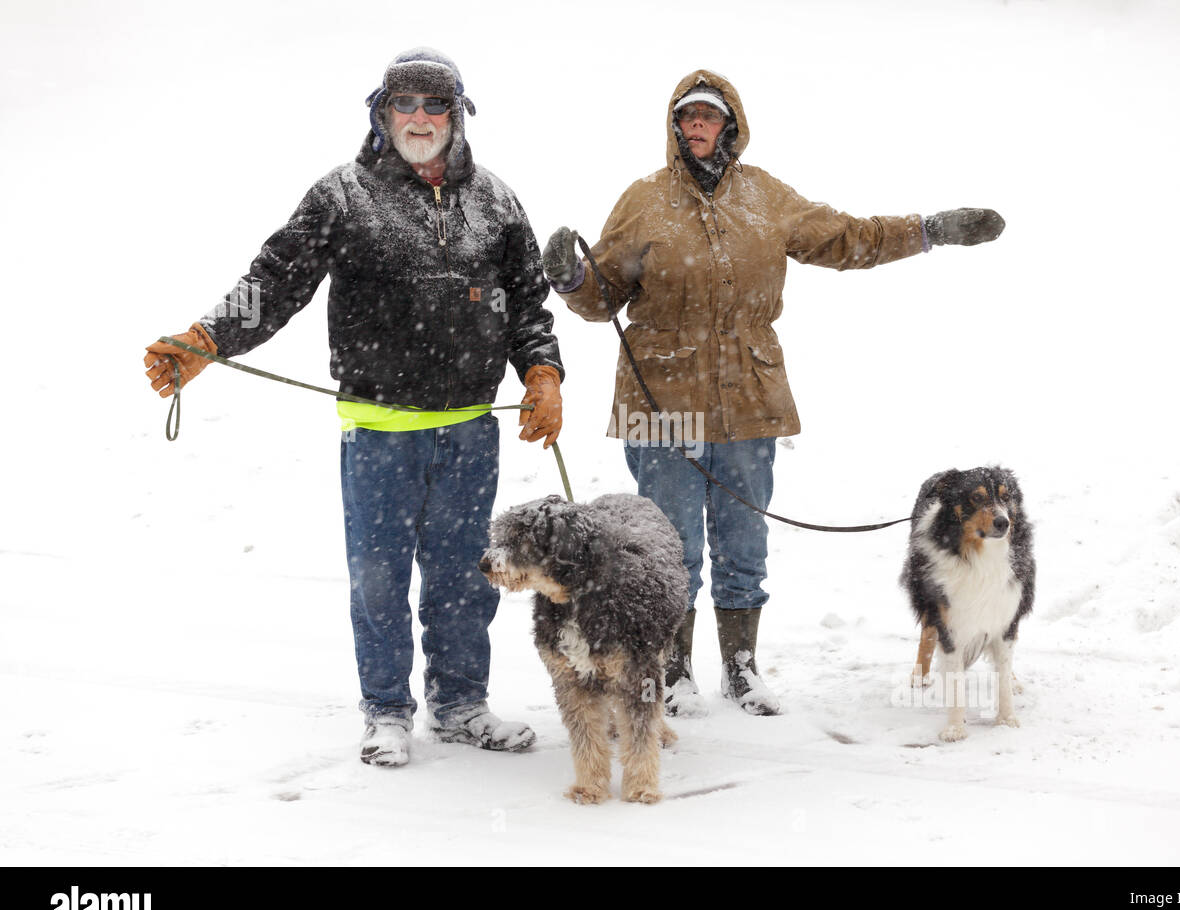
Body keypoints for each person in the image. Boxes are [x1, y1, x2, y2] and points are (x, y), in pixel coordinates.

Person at [144, 48, 565, 767]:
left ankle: (461, 705)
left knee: (467, 573)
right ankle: (387, 712)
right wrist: (207, 338)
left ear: (458, 115)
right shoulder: (343, 195)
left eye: (437, 104)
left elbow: (528, 300)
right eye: (406, 103)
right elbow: (273, 281)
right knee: (379, 576)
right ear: (381, 111)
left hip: (468, 431)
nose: (421, 118)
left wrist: (543, 372)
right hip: (378, 433)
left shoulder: (495, 200)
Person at [541, 69, 1003, 718]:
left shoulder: (766, 197)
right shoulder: (643, 201)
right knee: (668, 546)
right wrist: (573, 278)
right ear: (674, 126)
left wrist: (929, 230)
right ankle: (672, 671)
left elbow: (849, 238)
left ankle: (740, 667)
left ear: (730, 124)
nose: (696, 126)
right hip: (657, 400)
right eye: (686, 116)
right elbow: (603, 297)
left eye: (708, 115)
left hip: (750, 399)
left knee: (743, 542)